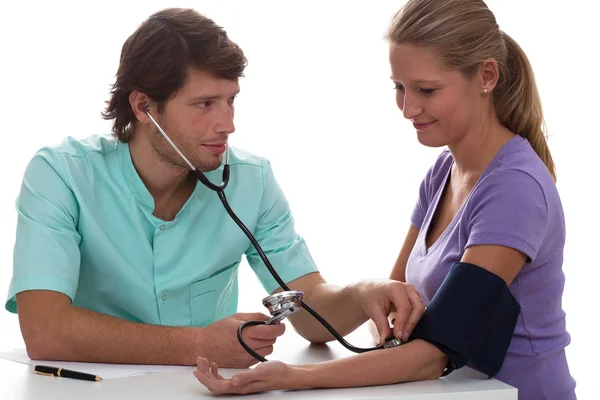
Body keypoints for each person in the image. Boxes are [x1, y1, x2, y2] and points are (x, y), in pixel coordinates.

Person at [193, 0, 576, 398]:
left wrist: (293, 377)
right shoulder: (443, 172)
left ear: (486, 76)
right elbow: (395, 307)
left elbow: (435, 353)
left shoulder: (514, 189)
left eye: (427, 90)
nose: (408, 108)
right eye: (399, 87)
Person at [4, 8, 425, 368]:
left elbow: (309, 312)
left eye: (231, 100)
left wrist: (361, 293)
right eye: (205, 104)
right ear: (143, 106)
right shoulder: (60, 175)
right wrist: (200, 345)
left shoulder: (251, 180)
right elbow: (45, 331)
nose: (228, 124)